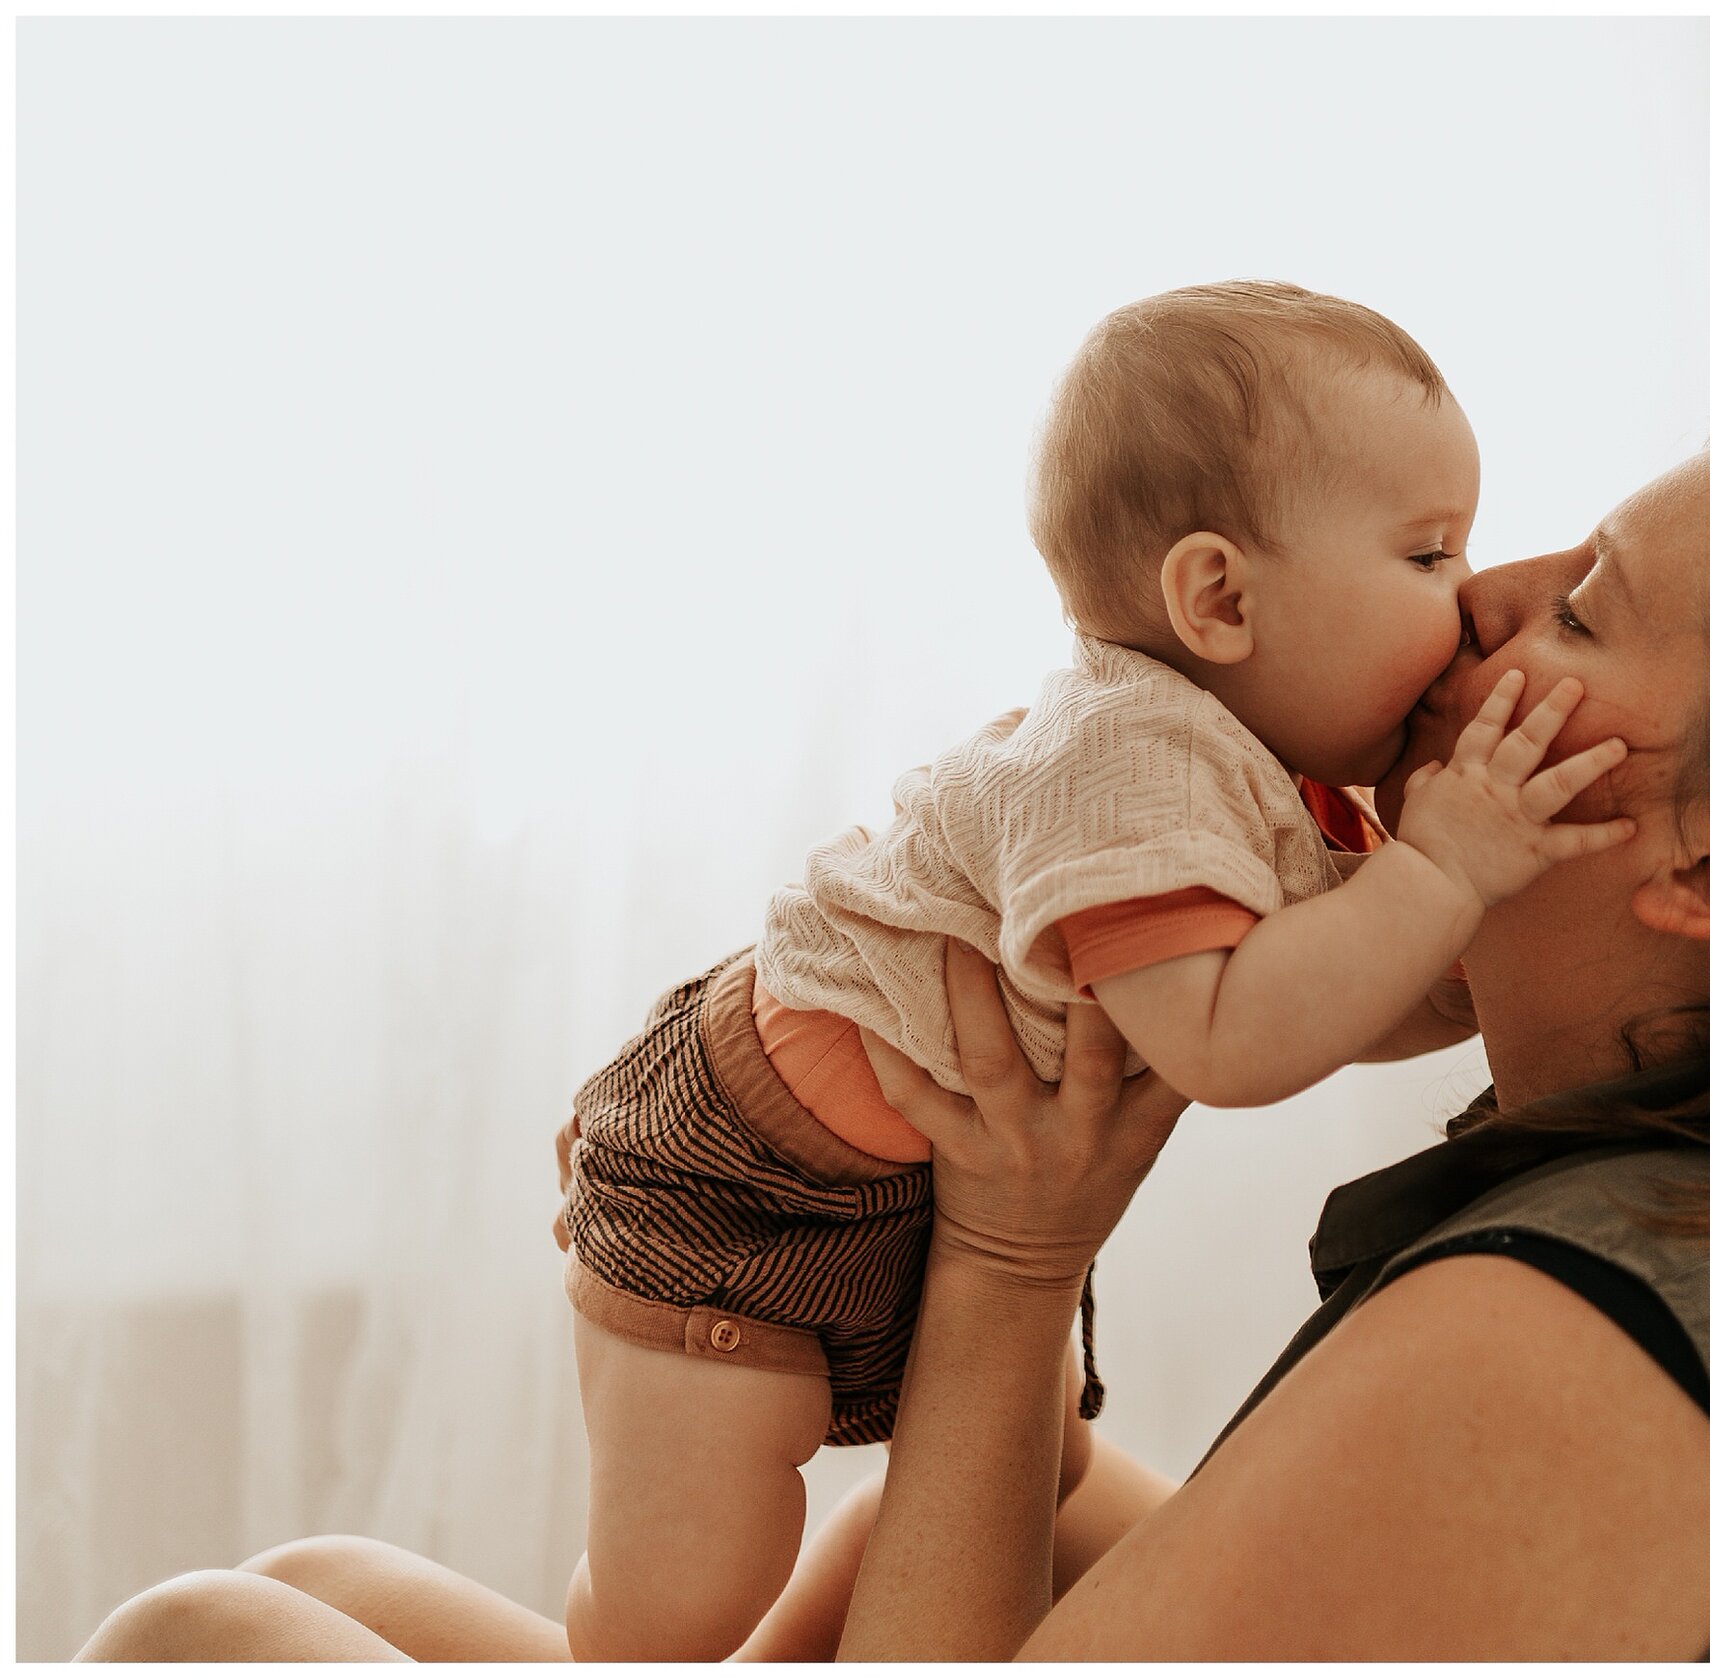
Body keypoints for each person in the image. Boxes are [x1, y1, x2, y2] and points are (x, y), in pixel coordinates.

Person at [76, 417, 1710, 1661]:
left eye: (1587, 610)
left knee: (201, 1636)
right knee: (321, 1569)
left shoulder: (1576, 1344)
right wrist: (1028, 1440)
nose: (1480, 600)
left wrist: (1001, 1264)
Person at [550, 280, 1632, 1659]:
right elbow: (1227, 1041)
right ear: (1219, 597)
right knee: (673, 1614)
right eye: (1428, 556)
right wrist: (1445, 877)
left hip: (911, 1182)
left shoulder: (1257, 774)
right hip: (742, 1183)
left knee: (1038, 1469)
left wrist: (1473, 957)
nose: (1470, 593)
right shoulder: (1136, 761)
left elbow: (1333, 992)